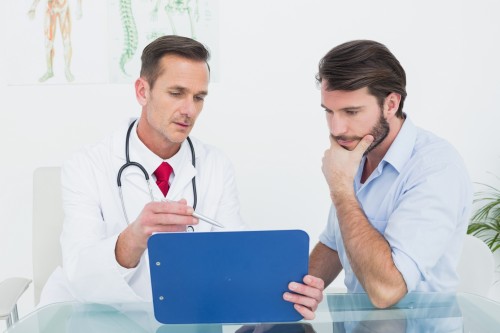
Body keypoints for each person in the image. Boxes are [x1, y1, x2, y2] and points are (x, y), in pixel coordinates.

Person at [39, 35, 247, 305]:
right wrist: (135, 236)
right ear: (142, 91)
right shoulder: (87, 165)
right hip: (98, 315)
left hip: (182, 317)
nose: (189, 110)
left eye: (199, 98)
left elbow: (236, 256)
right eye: (176, 93)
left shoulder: (216, 165)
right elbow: (80, 274)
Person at [285, 40, 472, 311]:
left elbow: (386, 291)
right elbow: (334, 246)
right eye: (329, 112)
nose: (337, 129)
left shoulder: (435, 169)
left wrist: (341, 190)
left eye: (351, 112)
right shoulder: (357, 152)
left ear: (391, 104)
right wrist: (287, 300)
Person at [28, 0, 82, 82]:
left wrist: (79, 7)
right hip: (50, 8)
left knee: (67, 39)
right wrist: (33, 6)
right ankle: (49, 70)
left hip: (63, 6)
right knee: (48, 43)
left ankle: (67, 69)